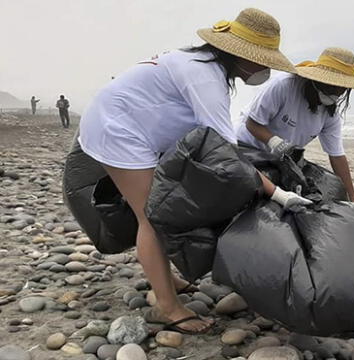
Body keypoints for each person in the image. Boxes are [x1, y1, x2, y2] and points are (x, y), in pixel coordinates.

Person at [75, 8, 310, 335]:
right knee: (152, 217)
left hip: (135, 125)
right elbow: (228, 157)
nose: (267, 67)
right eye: (265, 59)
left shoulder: (204, 65)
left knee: (153, 205)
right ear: (242, 55)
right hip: (118, 130)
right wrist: (278, 194)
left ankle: (163, 277)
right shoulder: (206, 78)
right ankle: (167, 307)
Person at [236, 47, 354, 202]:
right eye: (330, 87)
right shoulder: (284, 85)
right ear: (317, 79)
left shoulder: (330, 113)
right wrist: (275, 142)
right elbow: (252, 124)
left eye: (341, 89)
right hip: (246, 147)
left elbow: (337, 156)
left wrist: (353, 201)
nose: (335, 93)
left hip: (280, 159)